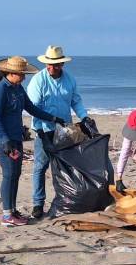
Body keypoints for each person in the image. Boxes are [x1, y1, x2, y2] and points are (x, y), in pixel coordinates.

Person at [0, 56, 65, 227]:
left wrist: (53, 118)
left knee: (15, 175)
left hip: (16, 138)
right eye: (21, 74)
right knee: (9, 175)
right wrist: (5, 140)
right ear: (11, 73)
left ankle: (13, 210)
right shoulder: (1, 90)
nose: (24, 77)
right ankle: (7, 215)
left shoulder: (18, 88)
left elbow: (31, 108)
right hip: (5, 140)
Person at [27, 45, 93, 220]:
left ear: (62, 64)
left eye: (56, 64)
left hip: (64, 130)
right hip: (44, 129)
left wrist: (84, 117)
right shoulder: (38, 81)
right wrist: (40, 131)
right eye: (49, 64)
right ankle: (38, 204)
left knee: (67, 166)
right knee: (41, 167)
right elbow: (34, 109)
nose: (52, 67)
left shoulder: (70, 80)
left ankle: (67, 198)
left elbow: (76, 101)